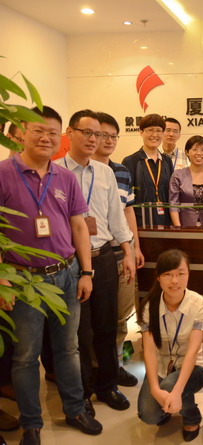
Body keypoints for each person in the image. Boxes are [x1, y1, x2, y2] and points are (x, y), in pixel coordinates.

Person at [0, 106, 102, 444]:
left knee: (68, 349)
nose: (46, 138)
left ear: (61, 137)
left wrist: (86, 272)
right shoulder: (3, 174)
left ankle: (74, 409)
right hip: (23, 280)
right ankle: (32, 423)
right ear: (20, 133)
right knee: (25, 356)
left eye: (52, 133)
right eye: (38, 131)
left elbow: (79, 227)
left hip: (66, 274)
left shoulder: (65, 177)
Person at [57, 109, 135, 414]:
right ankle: (83, 394)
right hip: (70, 262)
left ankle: (107, 386)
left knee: (106, 326)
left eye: (99, 134)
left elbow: (117, 217)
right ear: (70, 133)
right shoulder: (56, 172)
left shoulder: (105, 173)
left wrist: (127, 252)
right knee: (78, 333)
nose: (94, 139)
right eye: (87, 132)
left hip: (103, 258)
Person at [93, 111, 144, 387]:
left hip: (121, 253)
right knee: (96, 319)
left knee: (122, 315)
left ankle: (116, 365)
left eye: (114, 136)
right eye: (103, 135)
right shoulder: (79, 172)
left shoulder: (121, 171)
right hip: (95, 256)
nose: (109, 140)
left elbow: (128, 211)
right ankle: (95, 369)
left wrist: (134, 248)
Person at [136, 249, 203, 442]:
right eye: (168, 274)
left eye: (180, 274)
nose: (174, 281)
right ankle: (168, 405)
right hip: (162, 365)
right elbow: (149, 351)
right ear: (158, 277)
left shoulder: (201, 304)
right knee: (148, 414)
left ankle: (191, 417)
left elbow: (192, 352)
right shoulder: (149, 306)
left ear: (188, 274)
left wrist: (175, 392)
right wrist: (154, 389)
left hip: (194, 366)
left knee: (170, 387)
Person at [122, 114, 174, 226]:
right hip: (140, 221)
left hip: (165, 220)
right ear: (141, 132)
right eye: (150, 130)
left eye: (159, 131)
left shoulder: (167, 161)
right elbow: (126, 198)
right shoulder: (131, 161)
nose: (155, 135)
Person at [169, 135, 203, 228]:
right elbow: (173, 205)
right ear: (187, 152)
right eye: (194, 149)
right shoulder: (178, 175)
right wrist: (178, 228)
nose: (199, 153)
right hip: (184, 225)